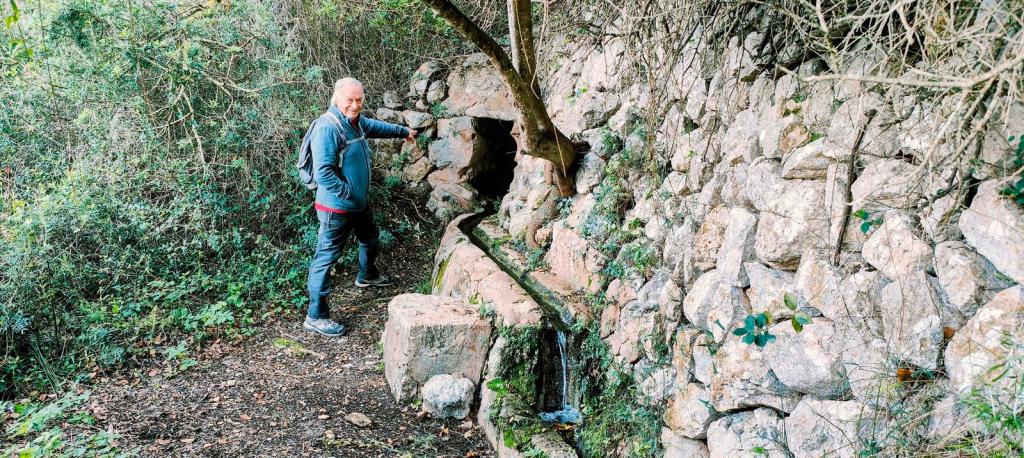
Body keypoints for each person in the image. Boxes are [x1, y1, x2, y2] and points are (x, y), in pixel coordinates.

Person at [304, 77, 417, 337]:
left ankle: (366, 276)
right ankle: (316, 316)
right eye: (350, 101)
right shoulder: (327, 128)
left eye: (359, 100)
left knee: (370, 237)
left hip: (357, 204)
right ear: (337, 99)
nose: (355, 106)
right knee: (326, 257)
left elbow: (376, 127)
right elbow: (323, 173)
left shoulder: (356, 122)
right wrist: (349, 194)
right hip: (336, 209)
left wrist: (403, 132)